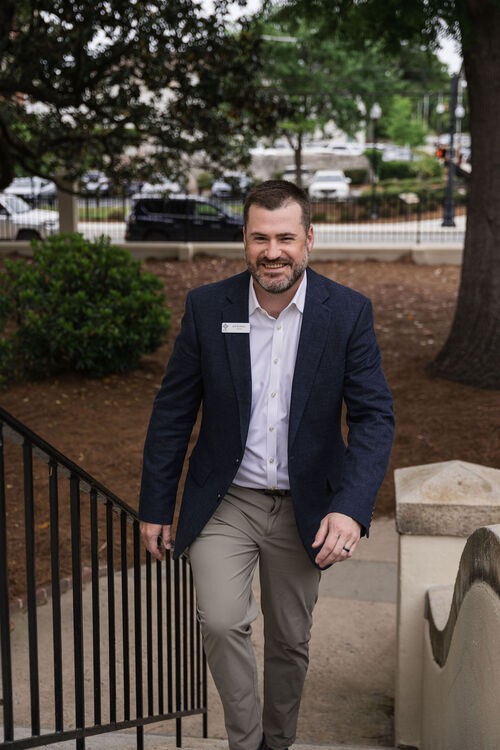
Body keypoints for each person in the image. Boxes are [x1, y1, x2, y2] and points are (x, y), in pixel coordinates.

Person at [139, 179, 394, 750]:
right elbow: (173, 411)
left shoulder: (346, 312)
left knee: (290, 639)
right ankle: (246, 742)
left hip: (306, 505)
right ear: (245, 240)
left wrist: (351, 508)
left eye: (285, 238)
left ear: (308, 239)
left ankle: (278, 741)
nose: (272, 252)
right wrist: (155, 505)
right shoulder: (208, 308)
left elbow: (375, 418)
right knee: (221, 621)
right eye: (260, 238)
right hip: (226, 499)